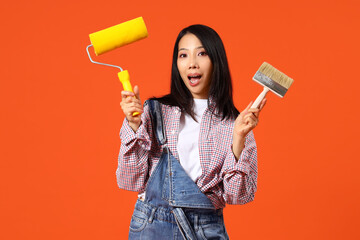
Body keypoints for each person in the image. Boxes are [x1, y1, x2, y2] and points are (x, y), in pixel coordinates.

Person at [117, 24, 266, 239]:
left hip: (205, 228)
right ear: (176, 63)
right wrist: (133, 127)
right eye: (183, 55)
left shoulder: (235, 124)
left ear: (216, 61)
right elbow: (130, 181)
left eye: (202, 53)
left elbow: (238, 196)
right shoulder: (154, 111)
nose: (192, 63)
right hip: (151, 225)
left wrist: (238, 140)